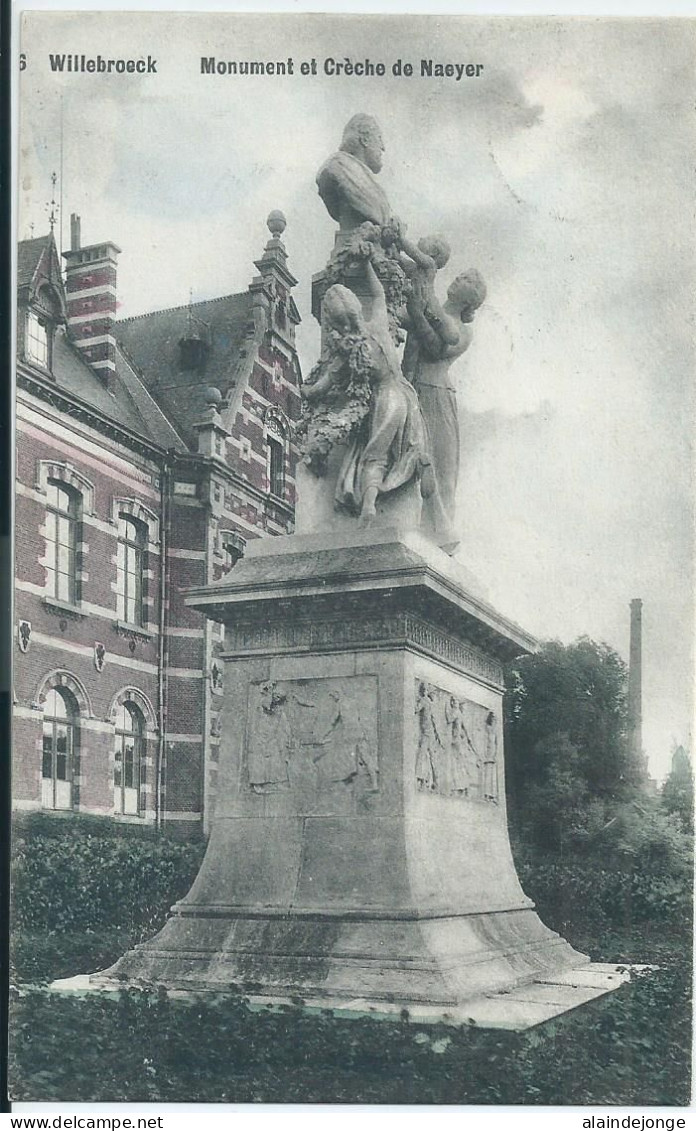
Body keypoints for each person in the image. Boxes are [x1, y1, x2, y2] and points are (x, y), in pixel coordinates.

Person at [303, 258, 449, 526]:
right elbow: (380, 293)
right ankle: (429, 501)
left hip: (384, 399)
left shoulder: (347, 352)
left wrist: (306, 391)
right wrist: (368, 262)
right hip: (406, 397)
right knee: (412, 449)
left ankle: (369, 504)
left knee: (374, 455)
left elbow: (321, 388)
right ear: (358, 308)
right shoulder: (379, 325)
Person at [405, 269, 487, 532]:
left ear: (470, 300)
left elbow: (437, 349)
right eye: (460, 276)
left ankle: (441, 533)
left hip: (437, 396)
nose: (457, 279)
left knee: (442, 468)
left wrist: (419, 310)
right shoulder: (430, 306)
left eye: (466, 281)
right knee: (413, 461)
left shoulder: (463, 330)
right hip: (412, 392)